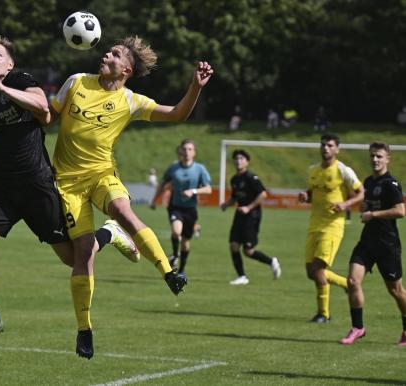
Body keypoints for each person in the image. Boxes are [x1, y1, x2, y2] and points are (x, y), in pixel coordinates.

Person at [0, 35, 140, 353]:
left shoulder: (20, 81)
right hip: (2, 190)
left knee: (75, 259)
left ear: (9, 63)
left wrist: (3, 88)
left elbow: (43, 108)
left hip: (38, 188)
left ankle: (110, 233)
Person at [49, 35, 213, 359]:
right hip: (66, 184)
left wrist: (196, 86)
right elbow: (49, 115)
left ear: (126, 68)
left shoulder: (130, 101)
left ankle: (169, 272)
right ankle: (84, 329)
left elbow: (178, 114)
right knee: (82, 254)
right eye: (107, 51)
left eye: (114, 53)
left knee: (125, 212)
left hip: (102, 175)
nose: (106, 54)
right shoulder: (76, 82)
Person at [340, 142, 406, 346]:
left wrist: (373, 214)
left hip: (387, 245)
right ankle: (358, 327)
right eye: (372, 156)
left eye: (379, 156)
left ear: (387, 159)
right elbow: (366, 205)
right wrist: (365, 207)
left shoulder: (391, 184)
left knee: (396, 291)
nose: (375, 160)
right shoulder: (368, 182)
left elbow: (400, 211)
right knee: (352, 281)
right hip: (367, 241)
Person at [298, 133, 364, 323]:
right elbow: (312, 194)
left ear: (337, 149)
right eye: (323, 145)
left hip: (332, 227)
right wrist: (305, 196)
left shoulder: (343, 171)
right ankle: (345, 283)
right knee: (311, 272)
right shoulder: (314, 170)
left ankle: (324, 314)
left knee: (318, 269)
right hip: (314, 225)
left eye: (330, 145)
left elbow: (361, 193)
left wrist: (345, 204)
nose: (325, 148)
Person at [150, 139, 211, 274]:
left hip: (190, 209)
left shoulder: (200, 169)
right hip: (175, 206)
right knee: (176, 231)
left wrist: (193, 191)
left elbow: (208, 189)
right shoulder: (173, 168)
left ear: (194, 152)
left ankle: (182, 269)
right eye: (184, 149)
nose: (187, 152)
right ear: (180, 151)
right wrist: (154, 200)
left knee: (185, 242)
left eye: (190, 149)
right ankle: (175, 255)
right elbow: (162, 184)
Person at [220, 149, 281, 285]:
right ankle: (242, 276)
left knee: (248, 251)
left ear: (247, 162)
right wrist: (226, 204)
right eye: (236, 158)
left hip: (252, 216)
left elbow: (263, 194)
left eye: (241, 158)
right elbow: (235, 197)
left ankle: (271, 261)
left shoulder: (251, 178)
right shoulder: (234, 179)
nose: (238, 161)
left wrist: (249, 207)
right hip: (239, 215)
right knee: (233, 245)